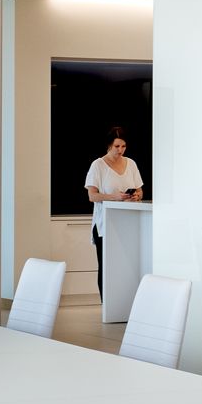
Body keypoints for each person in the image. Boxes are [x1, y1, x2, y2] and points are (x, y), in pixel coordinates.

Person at [83, 127, 145, 297]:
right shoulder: (98, 165)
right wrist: (114, 197)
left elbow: (140, 190)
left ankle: (124, 303)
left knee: (125, 267)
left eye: (123, 146)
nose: (120, 150)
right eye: (117, 146)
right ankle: (106, 306)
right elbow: (92, 196)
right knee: (106, 266)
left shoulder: (131, 163)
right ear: (109, 145)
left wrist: (137, 196)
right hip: (105, 226)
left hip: (127, 224)